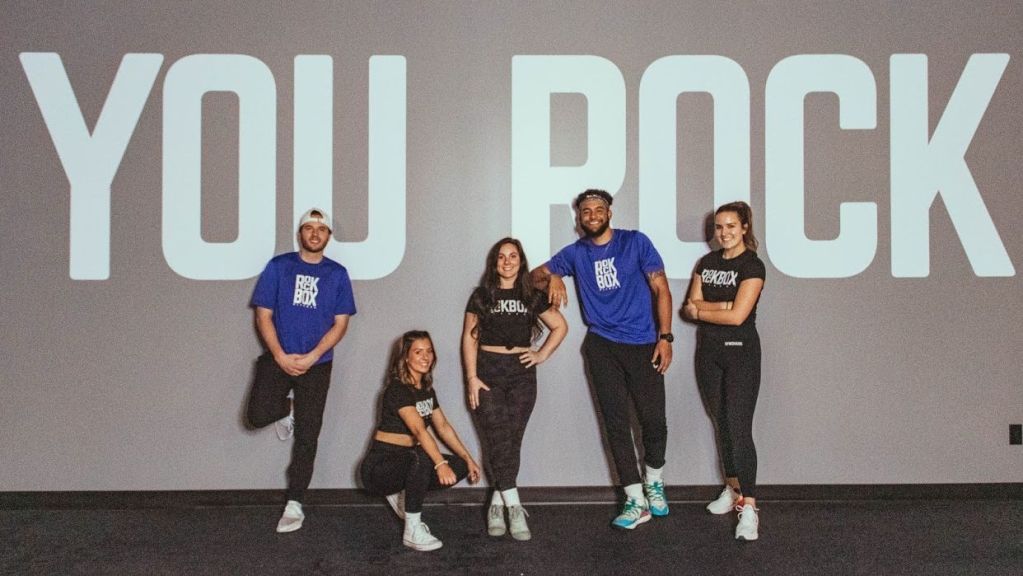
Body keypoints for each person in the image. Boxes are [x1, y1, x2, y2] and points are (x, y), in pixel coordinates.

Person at [531, 189, 674, 530]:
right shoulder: (575, 253)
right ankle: (635, 499)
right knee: (616, 424)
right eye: (585, 211)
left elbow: (661, 289)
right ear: (578, 219)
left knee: (653, 421)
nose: (592, 214)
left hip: (643, 343)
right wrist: (552, 276)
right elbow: (532, 275)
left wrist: (665, 337)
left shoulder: (635, 242)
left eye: (598, 209)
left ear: (609, 213)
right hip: (602, 346)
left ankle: (653, 479)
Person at [246, 207, 357, 533]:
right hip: (279, 358)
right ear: (301, 233)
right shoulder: (280, 267)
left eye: (320, 230)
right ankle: (286, 407)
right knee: (255, 415)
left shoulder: (337, 274)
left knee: (308, 436)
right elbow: (263, 315)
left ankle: (295, 504)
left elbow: (341, 323)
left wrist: (313, 356)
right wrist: (279, 355)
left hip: (317, 365)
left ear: (328, 237)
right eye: (309, 228)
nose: (314, 234)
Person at [462, 238, 568, 540]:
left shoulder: (531, 295)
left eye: (513, 256)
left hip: (521, 374)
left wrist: (541, 354)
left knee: (511, 441)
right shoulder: (482, 296)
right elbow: (469, 338)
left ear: (521, 261)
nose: (507, 261)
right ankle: (514, 506)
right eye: (501, 256)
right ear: (494, 263)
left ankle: (496, 503)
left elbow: (560, 327)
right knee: (498, 437)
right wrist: (471, 377)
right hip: (488, 372)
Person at [681, 201, 766, 541]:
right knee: (722, 425)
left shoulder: (753, 265)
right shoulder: (707, 262)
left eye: (731, 226)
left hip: (741, 354)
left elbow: (738, 317)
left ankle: (749, 507)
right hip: (709, 354)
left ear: (744, 227)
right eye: (719, 227)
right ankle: (732, 491)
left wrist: (706, 309)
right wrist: (721, 305)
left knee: (739, 428)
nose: (724, 232)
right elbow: (689, 306)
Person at [360, 330, 482, 552]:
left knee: (459, 466)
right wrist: (439, 463)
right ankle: (412, 530)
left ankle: (403, 496)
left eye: (429, 351)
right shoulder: (397, 390)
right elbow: (419, 430)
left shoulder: (426, 390)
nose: (426, 357)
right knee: (423, 457)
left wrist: (468, 459)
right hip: (378, 468)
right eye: (418, 352)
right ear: (405, 357)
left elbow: (443, 428)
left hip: (407, 462)